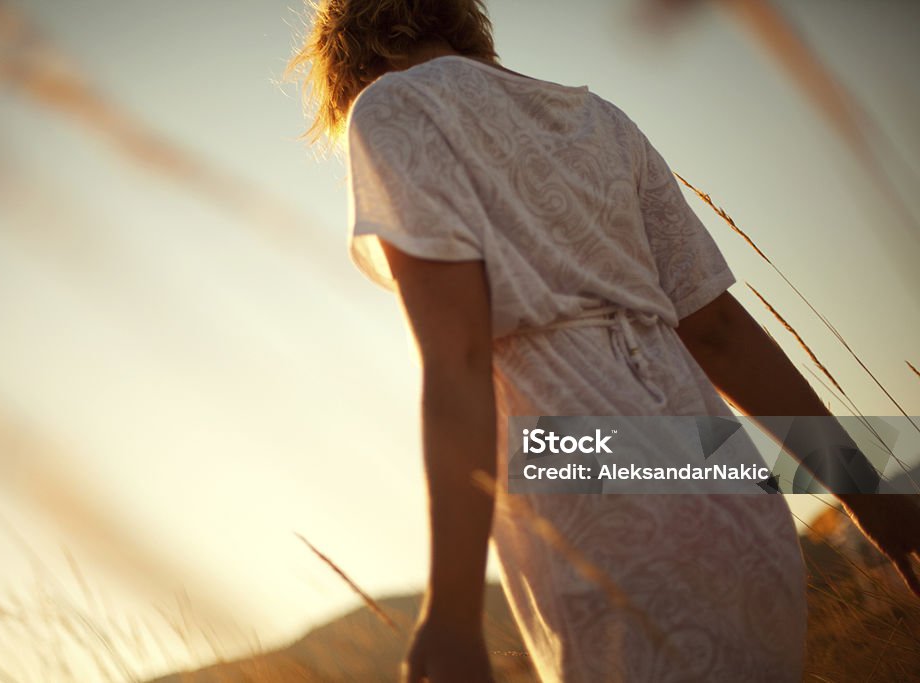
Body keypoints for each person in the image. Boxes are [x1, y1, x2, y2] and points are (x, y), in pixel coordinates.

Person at [287, 2, 920, 681]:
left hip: (593, 501)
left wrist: (452, 611)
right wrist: (867, 494)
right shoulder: (600, 119)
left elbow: (460, 359)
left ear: (348, 63)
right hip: (732, 500)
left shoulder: (393, 110)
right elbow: (721, 331)